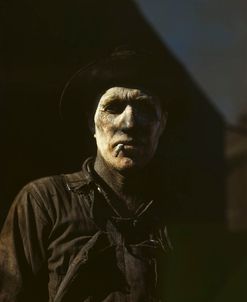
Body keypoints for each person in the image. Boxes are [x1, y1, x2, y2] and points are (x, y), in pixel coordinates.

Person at [0, 48, 174, 302]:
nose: (129, 122)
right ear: (91, 124)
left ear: (162, 124)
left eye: (144, 107)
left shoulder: (180, 210)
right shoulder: (43, 202)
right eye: (113, 107)